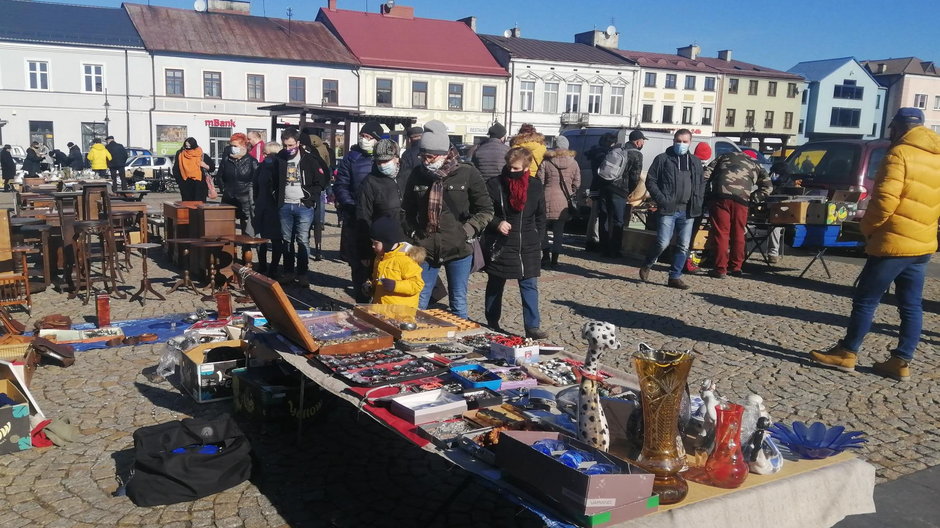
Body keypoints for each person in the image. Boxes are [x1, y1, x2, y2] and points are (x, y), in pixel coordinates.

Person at [809, 108, 940, 382]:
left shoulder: (899, 154)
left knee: (866, 300)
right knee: (912, 305)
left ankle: (847, 352)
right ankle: (901, 361)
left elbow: (884, 202)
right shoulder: (935, 155)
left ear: (898, 127)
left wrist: (867, 229)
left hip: (893, 241)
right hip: (922, 243)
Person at [401, 120, 494, 318]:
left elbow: (485, 210)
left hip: (458, 247)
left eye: (430, 156)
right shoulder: (418, 174)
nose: (426, 160)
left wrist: (467, 231)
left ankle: (459, 343)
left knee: (458, 300)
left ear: (444, 153)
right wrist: (413, 232)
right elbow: (406, 210)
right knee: (419, 299)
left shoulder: (467, 173)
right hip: (425, 247)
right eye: (423, 155)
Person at [483, 147, 548, 338]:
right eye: (509, 167)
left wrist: (539, 239)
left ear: (526, 168)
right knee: (495, 283)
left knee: (529, 285)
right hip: (501, 242)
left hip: (528, 242)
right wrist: (497, 223)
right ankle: (492, 321)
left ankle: (532, 327)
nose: (511, 171)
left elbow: (540, 216)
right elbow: (484, 211)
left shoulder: (535, 186)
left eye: (516, 168)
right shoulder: (495, 184)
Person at [639, 129, 705, 290]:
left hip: (688, 210)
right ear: (673, 141)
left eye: (685, 141)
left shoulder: (695, 162)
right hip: (668, 208)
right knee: (663, 242)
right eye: (678, 141)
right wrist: (662, 199)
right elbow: (651, 181)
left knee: (683, 245)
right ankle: (648, 263)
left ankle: (674, 277)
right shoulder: (663, 159)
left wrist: (699, 201)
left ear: (690, 142)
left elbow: (701, 183)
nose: (681, 144)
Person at [703, 150, 772, 278]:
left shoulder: (723, 156)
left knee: (721, 233)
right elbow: (768, 187)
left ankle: (720, 269)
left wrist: (708, 196)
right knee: (739, 233)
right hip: (741, 201)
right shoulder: (755, 164)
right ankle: (736, 267)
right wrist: (753, 199)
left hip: (720, 197)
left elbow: (705, 175)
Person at [336, 120, 384, 301]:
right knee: (358, 265)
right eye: (363, 136)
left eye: (370, 137)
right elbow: (341, 185)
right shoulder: (352, 156)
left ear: (377, 140)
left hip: (379, 219)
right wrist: (352, 206)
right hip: (355, 217)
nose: (365, 139)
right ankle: (361, 302)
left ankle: (379, 303)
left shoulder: (384, 156)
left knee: (379, 263)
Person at [276, 127, 330, 287]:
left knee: (302, 240)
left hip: (303, 205)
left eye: (291, 145)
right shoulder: (280, 158)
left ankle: (302, 273)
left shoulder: (309, 159)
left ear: (298, 143)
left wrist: (311, 198)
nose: (288, 149)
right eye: (285, 145)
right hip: (285, 205)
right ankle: (288, 272)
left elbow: (321, 180)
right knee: (286, 240)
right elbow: (273, 179)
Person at [598, 130, 645, 258]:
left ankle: (604, 248)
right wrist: (630, 191)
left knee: (605, 217)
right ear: (637, 141)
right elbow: (635, 176)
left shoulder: (618, 149)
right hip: (620, 190)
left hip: (606, 186)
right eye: (643, 141)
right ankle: (615, 249)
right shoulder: (636, 154)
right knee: (618, 221)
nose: (643, 143)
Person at [356, 139, 404, 266]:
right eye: (378, 161)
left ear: (396, 158)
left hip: (408, 241)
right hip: (384, 245)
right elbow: (363, 216)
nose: (382, 165)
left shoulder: (408, 175)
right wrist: (366, 249)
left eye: (385, 160)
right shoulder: (370, 182)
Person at [536, 135, 580, 268]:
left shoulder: (547, 162)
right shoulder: (574, 163)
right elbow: (577, 183)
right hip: (564, 202)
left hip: (546, 198)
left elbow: (540, 181)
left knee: (543, 229)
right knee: (559, 231)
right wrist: (570, 191)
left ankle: (545, 255)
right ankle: (555, 259)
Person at [365, 215, 426, 307]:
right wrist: (371, 287)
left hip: (401, 312)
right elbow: (376, 278)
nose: (372, 246)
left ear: (387, 242)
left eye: (376, 243)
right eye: (372, 242)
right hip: (381, 308)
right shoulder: (380, 257)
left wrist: (396, 286)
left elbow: (417, 284)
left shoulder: (406, 259)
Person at [216, 133, 258, 236]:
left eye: (235, 146)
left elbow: (256, 180)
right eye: (231, 146)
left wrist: (251, 195)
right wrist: (224, 189)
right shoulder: (227, 160)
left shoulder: (252, 161)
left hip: (245, 199)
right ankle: (230, 249)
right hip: (228, 197)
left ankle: (246, 249)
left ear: (243, 146)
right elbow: (219, 177)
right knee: (227, 229)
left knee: (246, 230)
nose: (232, 148)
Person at [254, 141, 285, 276]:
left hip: (274, 207)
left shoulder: (280, 167)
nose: (264, 155)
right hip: (262, 205)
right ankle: (262, 265)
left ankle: (273, 267)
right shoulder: (260, 167)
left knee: (276, 238)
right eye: (264, 153)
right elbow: (255, 186)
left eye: (267, 153)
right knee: (260, 238)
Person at [584, 133, 616, 252]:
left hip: (594, 186)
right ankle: (594, 240)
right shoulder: (604, 155)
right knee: (598, 215)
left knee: (594, 215)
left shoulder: (596, 152)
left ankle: (590, 239)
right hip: (599, 186)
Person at [173, 137, 212, 202]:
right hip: (185, 186)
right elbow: (176, 169)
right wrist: (180, 182)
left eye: (190, 146)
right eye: (186, 146)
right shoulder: (180, 154)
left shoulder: (201, 155)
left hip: (199, 186)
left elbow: (212, 168)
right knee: (187, 208)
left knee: (199, 208)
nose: (188, 148)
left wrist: (205, 165)